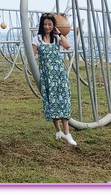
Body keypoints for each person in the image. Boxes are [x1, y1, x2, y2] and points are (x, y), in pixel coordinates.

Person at [32, 13, 76, 146]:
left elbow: (68, 46)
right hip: (47, 76)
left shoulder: (56, 39)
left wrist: (59, 33)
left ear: (53, 26)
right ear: (41, 25)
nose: (47, 27)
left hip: (59, 75)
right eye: (45, 24)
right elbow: (31, 56)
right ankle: (58, 131)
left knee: (64, 100)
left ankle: (67, 133)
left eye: (50, 24)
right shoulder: (37, 39)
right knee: (52, 103)